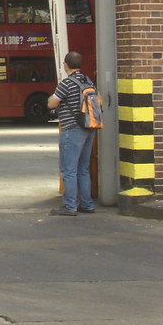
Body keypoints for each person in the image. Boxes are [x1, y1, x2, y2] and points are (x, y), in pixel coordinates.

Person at [47, 51, 96, 216]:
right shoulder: (88, 81)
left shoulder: (66, 84)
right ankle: (87, 204)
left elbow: (52, 103)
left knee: (69, 170)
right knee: (83, 169)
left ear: (65, 65)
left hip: (72, 129)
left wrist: (50, 101)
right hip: (89, 128)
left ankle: (69, 206)